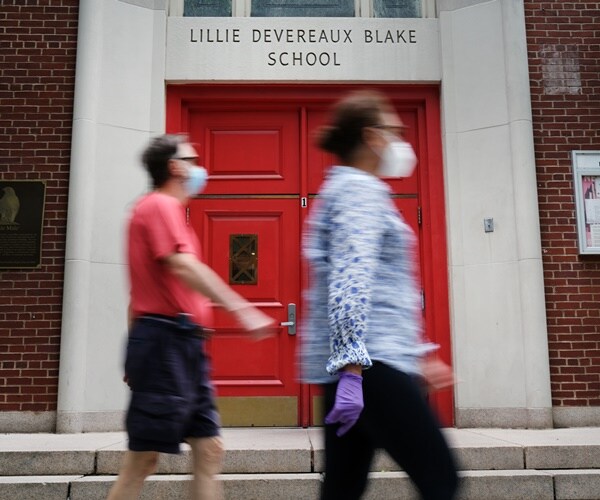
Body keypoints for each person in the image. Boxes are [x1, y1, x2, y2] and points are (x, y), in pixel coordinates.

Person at [299, 90, 458, 500]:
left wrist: (419, 350)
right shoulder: (359, 191)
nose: (400, 141)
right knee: (441, 478)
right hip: (371, 367)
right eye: (394, 131)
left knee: (343, 489)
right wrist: (353, 368)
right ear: (372, 137)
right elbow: (351, 277)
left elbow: (376, 283)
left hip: (359, 366)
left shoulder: (342, 188)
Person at [107, 134, 275, 500]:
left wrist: (135, 349)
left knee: (209, 449)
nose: (199, 166)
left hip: (180, 345)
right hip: (166, 343)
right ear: (174, 166)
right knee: (143, 460)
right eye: (192, 159)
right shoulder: (159, 206)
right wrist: (241, 308)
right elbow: (181, 266)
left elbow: (140, 293)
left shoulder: (164, 212)